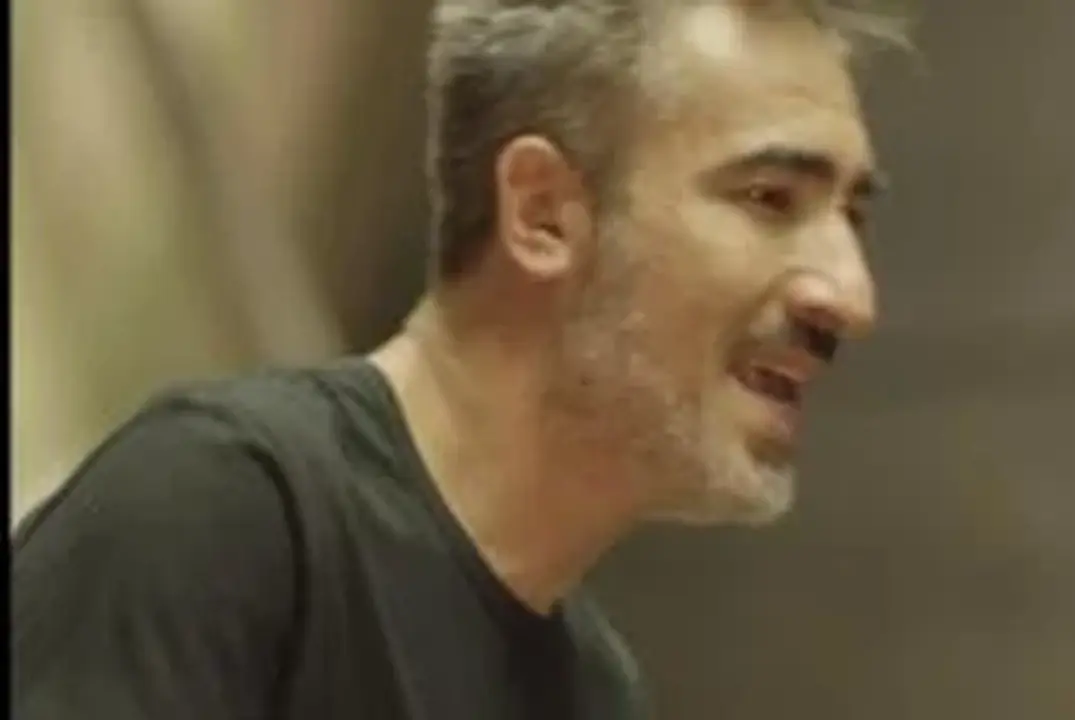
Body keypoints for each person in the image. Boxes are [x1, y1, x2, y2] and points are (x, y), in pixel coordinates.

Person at [13, 1, 895, 717]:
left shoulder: (596, 692)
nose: (851, 296)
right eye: (770, 198)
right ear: (542, 213)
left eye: (852, 217)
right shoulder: (224, 512)